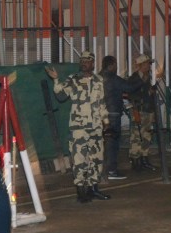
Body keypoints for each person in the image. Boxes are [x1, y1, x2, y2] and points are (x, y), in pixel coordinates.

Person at [46, 51, 111, 203]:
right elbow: (61, 96)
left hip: (95, 127)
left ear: (93, 63)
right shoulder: (73, 80)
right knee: (79, 160)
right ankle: (81, 192)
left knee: (96, 159)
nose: (84, 63)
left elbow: (101, 103)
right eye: (82, 61)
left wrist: (106, 122)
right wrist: (56, 80)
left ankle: (94, 189)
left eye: (87, 61)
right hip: (79, 128)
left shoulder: (99, 80)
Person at [99, 55, 143, 180]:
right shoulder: (113, 78)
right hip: (113, 115)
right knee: (112, 144)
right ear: (111, 65)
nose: (117, 67)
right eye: (116, 64)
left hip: (100, 115)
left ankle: (101, 170)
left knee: (102, 144)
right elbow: (129, 88)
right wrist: (141, 78)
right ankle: (112, 171)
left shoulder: (97, 77)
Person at [127, 54, 158, 171]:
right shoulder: (134, 78)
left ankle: (144, 158)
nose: (148, 66)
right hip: (139, 110)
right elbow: (131, 93)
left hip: (148, 109)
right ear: (140, 65)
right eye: (146, 64)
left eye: (148, 64)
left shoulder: (148, 77)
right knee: (136, 136)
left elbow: (147, 92)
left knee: (146, 135)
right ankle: (136, 160)